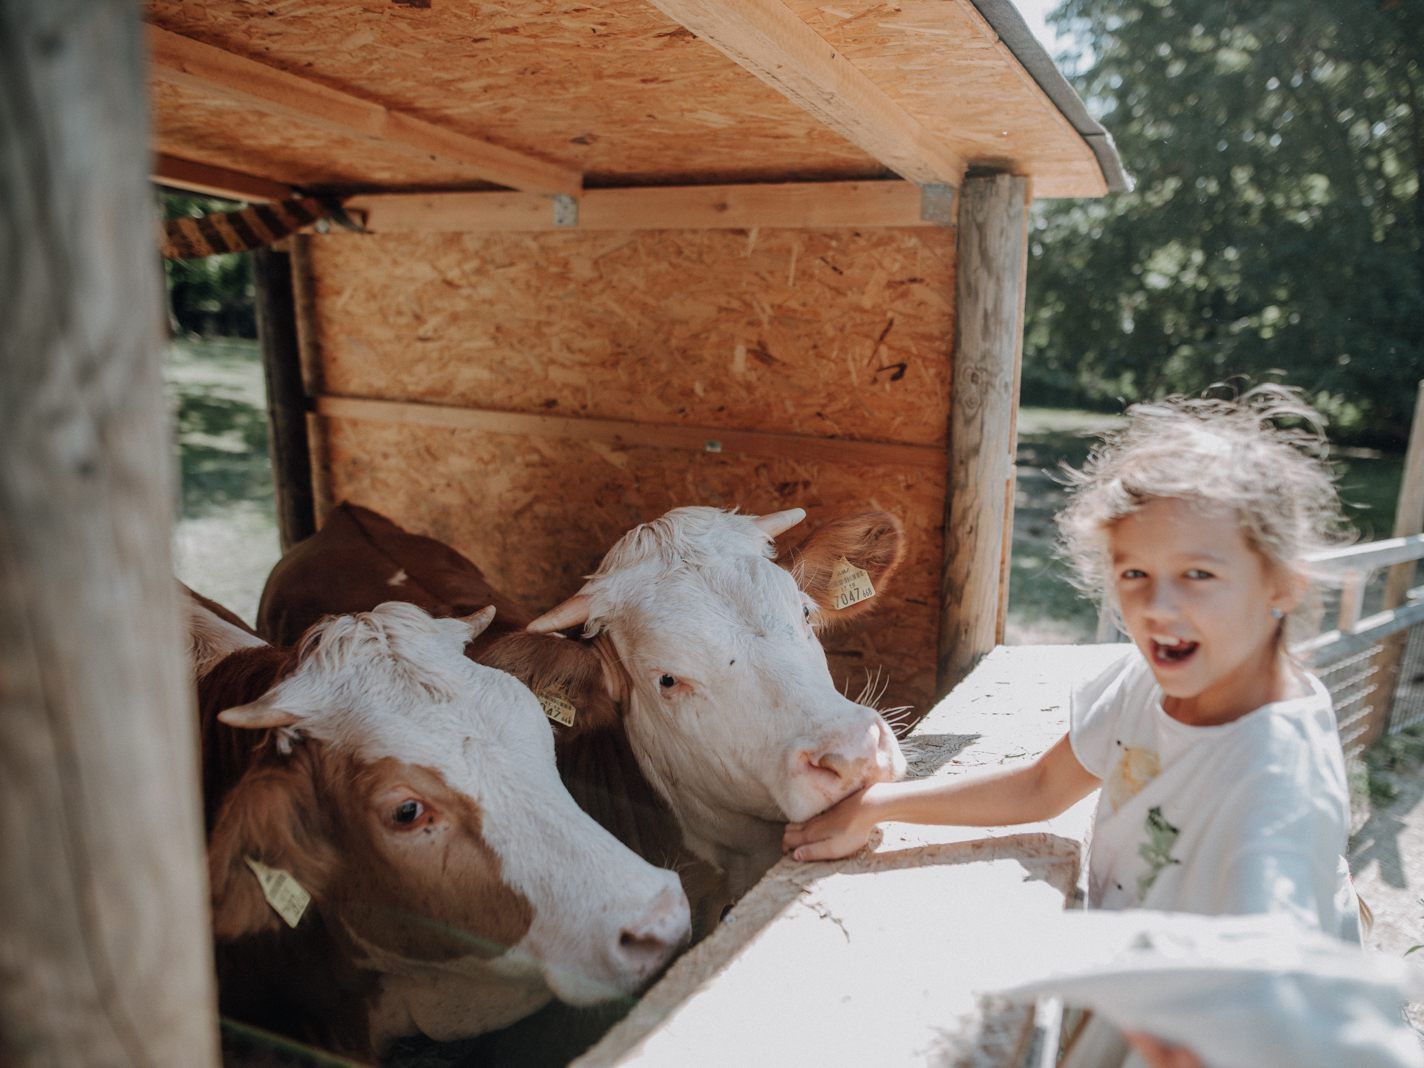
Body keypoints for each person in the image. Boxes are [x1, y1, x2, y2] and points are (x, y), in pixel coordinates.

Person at [782, 385, 1363, 1067]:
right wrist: (881, 803)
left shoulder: (1277, 777)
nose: (1157, 606)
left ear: (1282, 585)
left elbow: (1274, 962)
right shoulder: (1145, 685)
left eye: (1198, 574)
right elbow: (1043, 786)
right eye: (1135, 572)